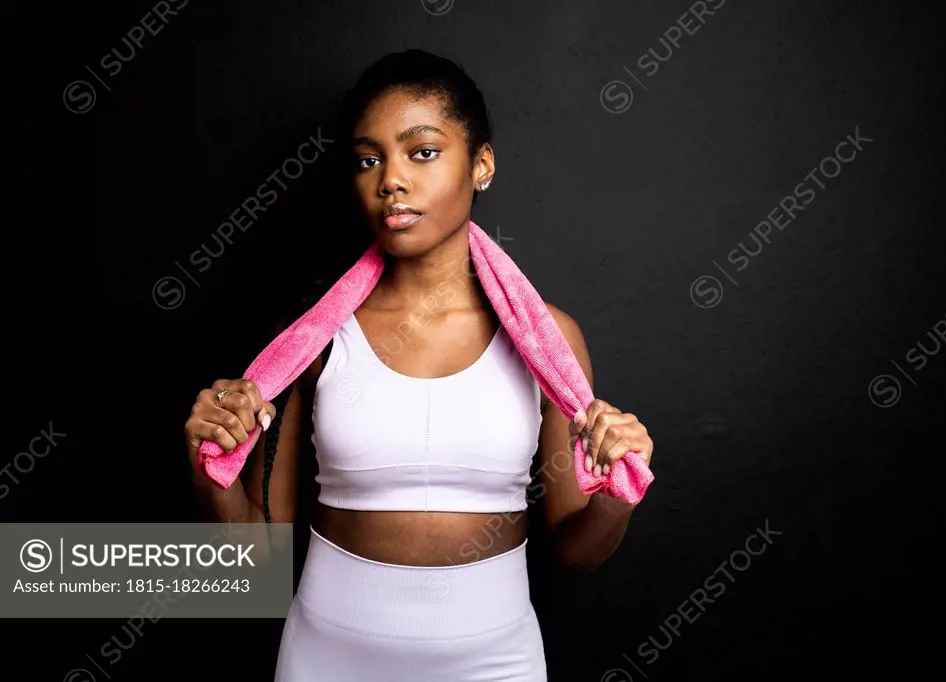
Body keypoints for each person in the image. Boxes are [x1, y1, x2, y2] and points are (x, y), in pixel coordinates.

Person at [182, 48, 655, 681]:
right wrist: (211, 467)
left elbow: (574, 555)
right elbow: (257, 561)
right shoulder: (309, 340)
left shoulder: (549, 342)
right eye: (368, 159)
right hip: (329, 657)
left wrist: (618, 497)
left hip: (495, 661)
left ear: (481, 164)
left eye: (422, 152)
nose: (390, 181)